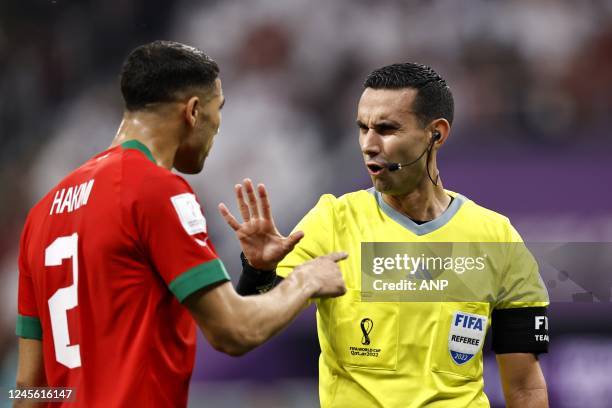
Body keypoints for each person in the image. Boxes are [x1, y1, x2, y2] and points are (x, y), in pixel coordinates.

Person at [15, 40, 347, 407]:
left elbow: (30, 386)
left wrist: (256, 274)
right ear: (192, 111)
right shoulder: (155, 190)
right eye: (218, 111)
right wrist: (306, 279)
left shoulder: (43, 212)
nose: (217, 128)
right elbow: (232, 332)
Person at [236, 63, 550, 407]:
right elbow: (250, 326)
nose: (369, 144)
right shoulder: (333, 221)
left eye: (386, 129)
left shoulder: (496, 237)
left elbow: (524, 387)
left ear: (436, 134)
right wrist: (258, 270)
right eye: (362, 128)